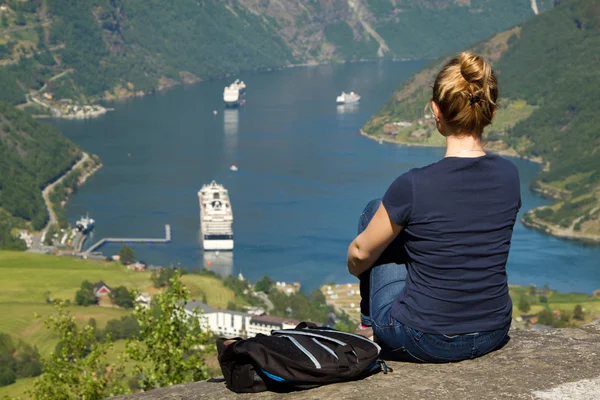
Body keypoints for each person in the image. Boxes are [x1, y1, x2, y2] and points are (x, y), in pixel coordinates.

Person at [347, 51, 521, 363]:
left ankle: (370, 327)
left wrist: (357, 267)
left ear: (435, 111)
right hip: (494, 330)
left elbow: (360, 255)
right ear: (491, 112)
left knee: (377, 211)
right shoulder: (510, 176)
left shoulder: (413, 185)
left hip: (423, 338)